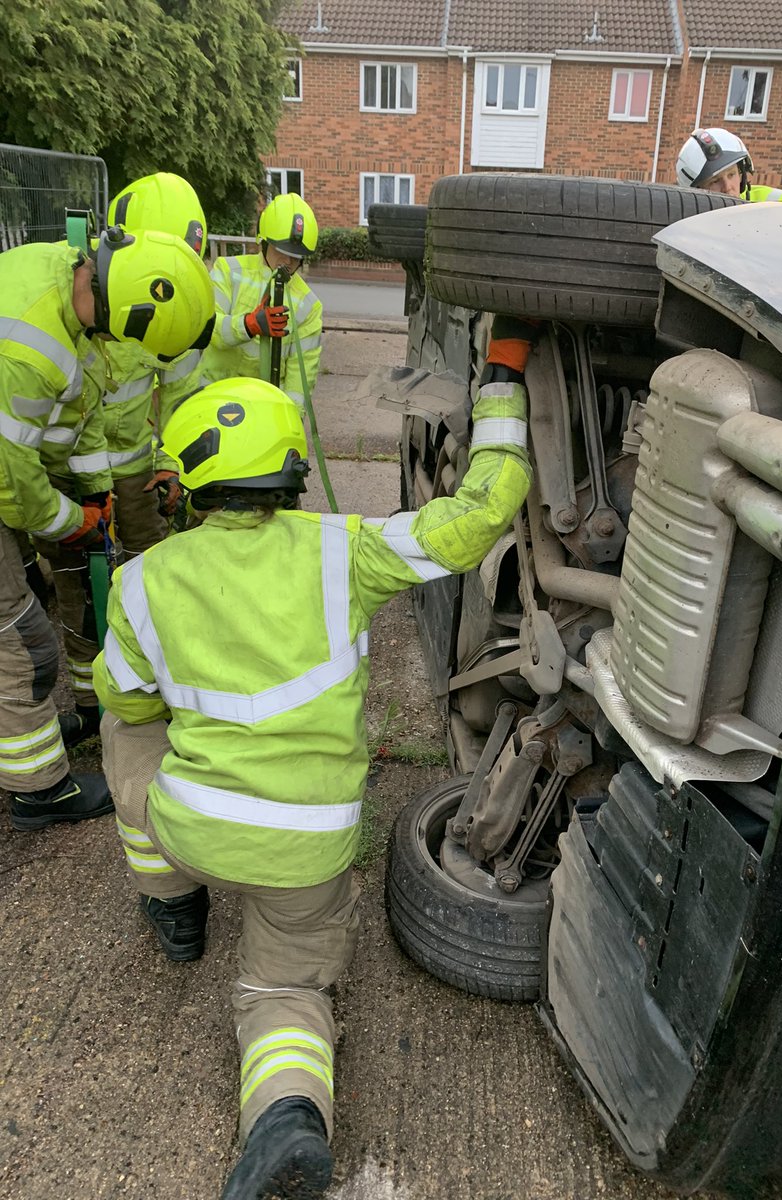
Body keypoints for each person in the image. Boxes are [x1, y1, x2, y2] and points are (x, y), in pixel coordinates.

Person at [92, 315, 537, 1200]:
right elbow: (481, 512)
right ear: (293, 467)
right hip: (305, 851)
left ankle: (173, 909)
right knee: (284, 990)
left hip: (191, 829)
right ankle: (287, 1115)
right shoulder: (347, 552)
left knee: (124, 732)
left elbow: (127, 701)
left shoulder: (144, 581)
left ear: (187, 483)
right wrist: (501, 383)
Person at [0, 226, 214, 831]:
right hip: (10, 479)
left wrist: (94, 498)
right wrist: (77, 522)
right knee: (21, 637)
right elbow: (18, 490)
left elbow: (74, 420)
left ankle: (38, 731)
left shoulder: (59, 281)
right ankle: (39, 789)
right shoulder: (32, 352)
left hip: (26, 472)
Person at [99, 172, 209, 566]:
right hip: (67, 462)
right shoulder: (81, 284)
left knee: (146, 555)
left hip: (132, 464)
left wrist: (170, 465)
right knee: (78, 563)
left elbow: (181, 399)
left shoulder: (181, 303)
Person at [201, 192, 323, 412]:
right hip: (213, 399)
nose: (287, 262)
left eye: (295, 257)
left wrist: (288, 425)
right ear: (264, 243)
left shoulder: (308, 306)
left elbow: (299, 382)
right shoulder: (228, 272)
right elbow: (208, 331)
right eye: (281, 252)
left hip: (264, 412)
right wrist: (247, 325)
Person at [676, 127, 782, 202]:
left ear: (742, 175)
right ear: (695, 191)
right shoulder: (686, 225)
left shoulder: (772, 200)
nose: (727, 187)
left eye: (731, 174)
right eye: (714, 181)